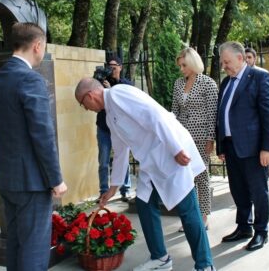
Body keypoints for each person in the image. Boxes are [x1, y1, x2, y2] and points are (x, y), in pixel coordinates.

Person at [75, 78, 216, 271]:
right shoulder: (109, 116)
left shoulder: (119, 94)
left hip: (170, 152)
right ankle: (160, 258)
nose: (87, 109)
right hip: (152, 163)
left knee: (187, 209)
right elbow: (121, 151)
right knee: (143, 202)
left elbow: (155, 115)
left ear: (90, 96)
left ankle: (205, 265)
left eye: (83, 104)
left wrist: (175, 149)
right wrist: (112, 188)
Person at [0, 22, 67, 271]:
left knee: (14, 248)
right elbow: (42, 134)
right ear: (37, 45)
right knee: (33, 252)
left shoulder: (0, 78)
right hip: (32, 183)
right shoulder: (30, 80)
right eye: (43, 47)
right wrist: (56, 179)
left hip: (8, 180)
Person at [216, 41, 269, 252]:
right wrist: (221, 145)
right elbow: (221, 114)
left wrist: (267, 148)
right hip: (231, 147)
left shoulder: (259, 77)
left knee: (258, 191)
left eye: (227, 62)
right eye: (223, 62)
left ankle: (261, 231)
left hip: (253, 148)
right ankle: (244, 227)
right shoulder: (225, 82)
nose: (224, 66)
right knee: (238, 190)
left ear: (240, 58)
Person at [171, 47, 218, 231]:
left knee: (201, 176)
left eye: (184, 65)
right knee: (185, 178)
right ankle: (191, 216)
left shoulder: (207, 83)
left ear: (193, 63)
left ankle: (204, 217)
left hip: (200, 137)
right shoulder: (177, 84)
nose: (181, 69)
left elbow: (213, 114)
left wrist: (210, 139)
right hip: (182, 137)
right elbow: (174, 111)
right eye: (180, 65)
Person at [95, 56, 132, 202]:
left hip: (119, 128)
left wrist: (111, 91)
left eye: (114, 66)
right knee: (103, 161)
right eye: (109, 66)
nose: (111, 69)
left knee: (123, 158)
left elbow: (125, 103)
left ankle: (125, 189)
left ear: (120, 67)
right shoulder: (101, 83)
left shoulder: (125, 84)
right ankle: (103, 191)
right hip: (104, 127)